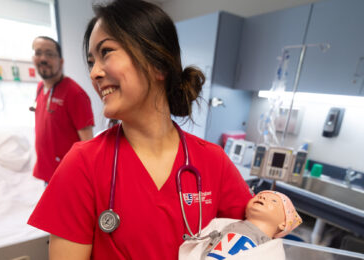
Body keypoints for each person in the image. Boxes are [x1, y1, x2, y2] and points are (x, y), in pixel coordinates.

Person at [28, 1, 252, 259]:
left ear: (158, 64)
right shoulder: (82, 164)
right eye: (91, 62)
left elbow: (253, 234)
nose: (94, 73)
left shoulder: (213, 161)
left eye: (107, 52)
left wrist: (275, 209)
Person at [31, 36, 95, 183]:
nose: (43, 58)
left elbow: (88, 145)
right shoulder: (40, 87)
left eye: (50, 54)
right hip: (47, 172)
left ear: (61, 61)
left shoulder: (75, 94)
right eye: (38, 53)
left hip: (67, 176)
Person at [179, 190, 302, 259]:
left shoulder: (267, 249)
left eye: (273, 201)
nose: (263, 198)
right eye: (260, 195)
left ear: (283, 224)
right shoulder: (226, 226)